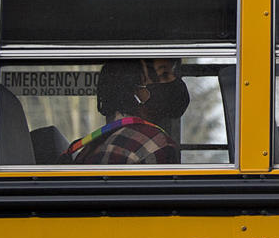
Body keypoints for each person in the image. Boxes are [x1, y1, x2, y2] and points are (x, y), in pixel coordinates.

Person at [61, 59, 189, 165]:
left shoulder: (88, 149)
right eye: (164, 75)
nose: (175, 81)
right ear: (136, 90)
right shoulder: (158, 145)